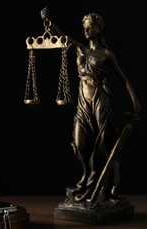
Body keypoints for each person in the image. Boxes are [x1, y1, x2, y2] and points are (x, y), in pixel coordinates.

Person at [40, 7, 141, 203]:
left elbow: (123, 79)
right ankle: (88, 176)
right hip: (82, 101)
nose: (86, 31)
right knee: (80, 143)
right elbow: (62, 37)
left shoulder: (106, 54)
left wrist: (135, 100)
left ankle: (101, 184)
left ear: (98, 29)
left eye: (90, 27)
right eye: (84, 28)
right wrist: (48, 23)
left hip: (100, 99)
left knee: (101, 143)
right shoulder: (79, 48)